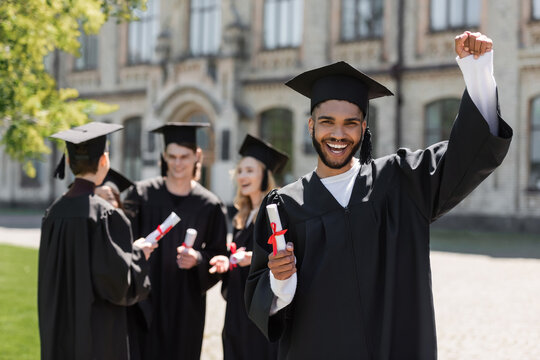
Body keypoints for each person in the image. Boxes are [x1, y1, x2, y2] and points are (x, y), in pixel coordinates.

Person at [245, 31, 513, 359]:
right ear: (311, 125)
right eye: (327, 122)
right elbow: (260, 304)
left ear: (364, 128)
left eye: (351, 123)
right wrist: (279, 281)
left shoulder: (402, 182)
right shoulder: (284, 206)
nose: (338, 134)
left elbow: (468, 155)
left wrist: (478, 72)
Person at [38, 122, 157, 360]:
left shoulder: (53, 213)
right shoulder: (107, 215)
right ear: (104, 160)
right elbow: (119, 285)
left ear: (69, 162)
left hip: (58, 330)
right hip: (97, 336)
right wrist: (138, 256)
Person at [123, 122, 228, 360]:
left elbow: (219, 255)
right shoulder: (141, 196)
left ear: (197, 156)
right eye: (172, 156)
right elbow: (122, 249)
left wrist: (199, 259)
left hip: (186, 306)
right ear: (164, 156)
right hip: (144, 303)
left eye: (184, 156)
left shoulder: (209, 205)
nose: (178, 163)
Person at [209, 134, 288, 360]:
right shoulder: (241, 217)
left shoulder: (277, 210)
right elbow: (237, 256)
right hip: (237, 308)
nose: (242, 176)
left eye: (250, 171)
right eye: (240, 171)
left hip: (262, 311)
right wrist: (227, 261)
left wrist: (252, 258)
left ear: (265, 174)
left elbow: (284, 253)